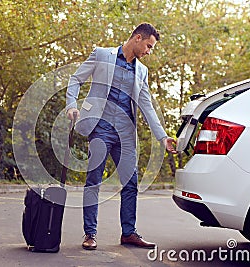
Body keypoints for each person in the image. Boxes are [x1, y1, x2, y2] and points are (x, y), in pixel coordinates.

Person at [65, 23, 176, 250]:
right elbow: (75, 79)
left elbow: (147, 106)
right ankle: (90, 234)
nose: (148, 51)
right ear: (137, 38)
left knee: (130, 183)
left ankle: (128, 233)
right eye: (148, 46)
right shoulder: (102, 55)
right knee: (94, 180)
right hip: (100, 129)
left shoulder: (142, 71)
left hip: (125, 135)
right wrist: (71, 105)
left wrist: (162, 137)